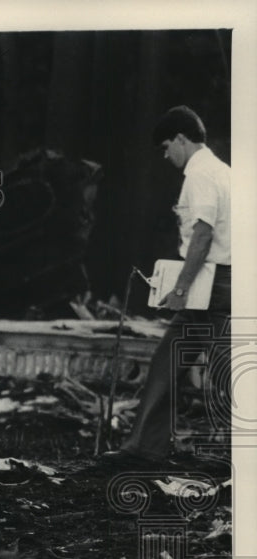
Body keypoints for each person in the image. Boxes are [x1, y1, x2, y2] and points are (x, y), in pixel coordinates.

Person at [102, 105, 231, 468]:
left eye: (165, 147)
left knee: (229, 370)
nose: (165, 155)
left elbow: (203, 233)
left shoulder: (201, 174)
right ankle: (145, 446)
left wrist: (180, 288)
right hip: (214, 284)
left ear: (181, 138)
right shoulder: (222, 171)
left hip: (214, 285)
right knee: (168, 360)